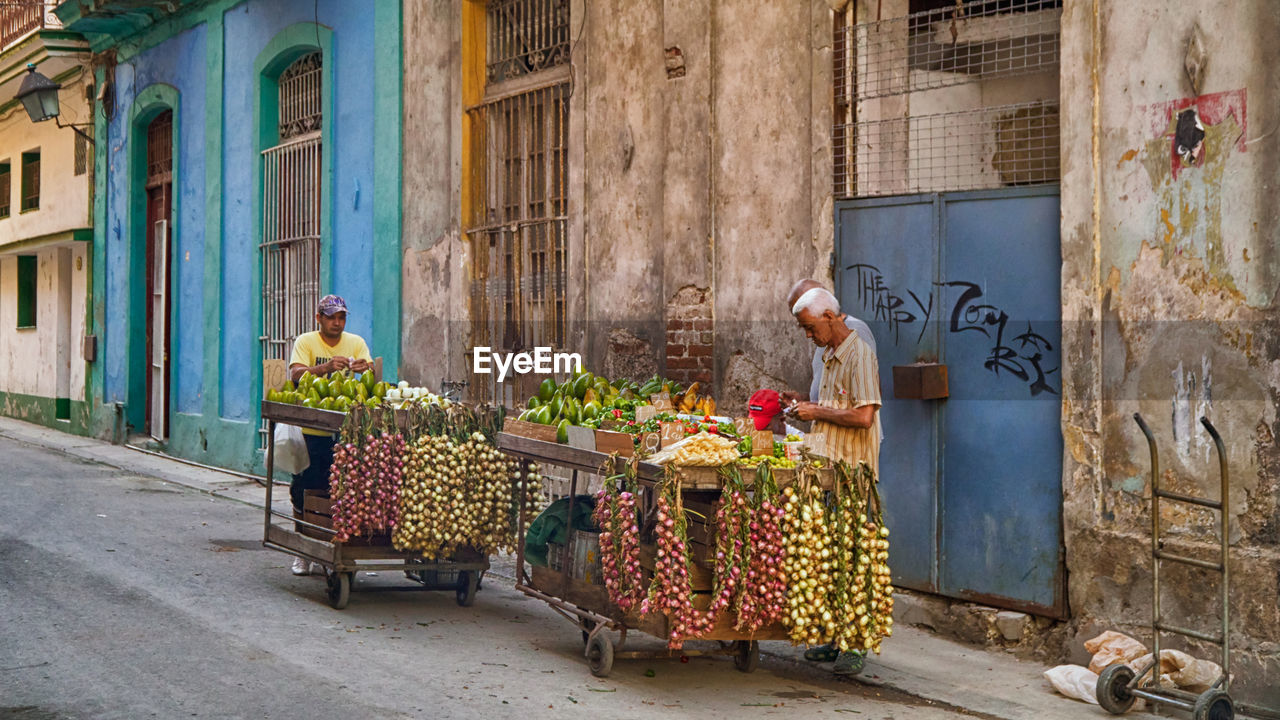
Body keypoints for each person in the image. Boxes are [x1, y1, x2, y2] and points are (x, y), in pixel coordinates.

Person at [789, 286, 883, 676]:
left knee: (857, 557)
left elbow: (863, 416)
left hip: (854, 470)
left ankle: (856, 644)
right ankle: (832, 636)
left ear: (829, 317)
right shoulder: (828, 355)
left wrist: (818, 412)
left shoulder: (859, 352)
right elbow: (832, 407)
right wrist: (806, 408)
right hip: (828, 468)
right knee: (831, 555)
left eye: (811, 328)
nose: (809, 337)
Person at [286, 294, 373, 575]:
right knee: (305, 487)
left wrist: (366, 368)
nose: (337, 323)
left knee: (343, 492)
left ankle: (337, 547)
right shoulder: (306, 342)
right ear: (319, 318)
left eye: (341, 317)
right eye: (331, 317)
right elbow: (296, 375)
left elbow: (372, 372)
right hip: (313, 430)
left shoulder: (356, 342)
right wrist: (324, 368)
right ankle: (303, 549)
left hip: (347, 432)